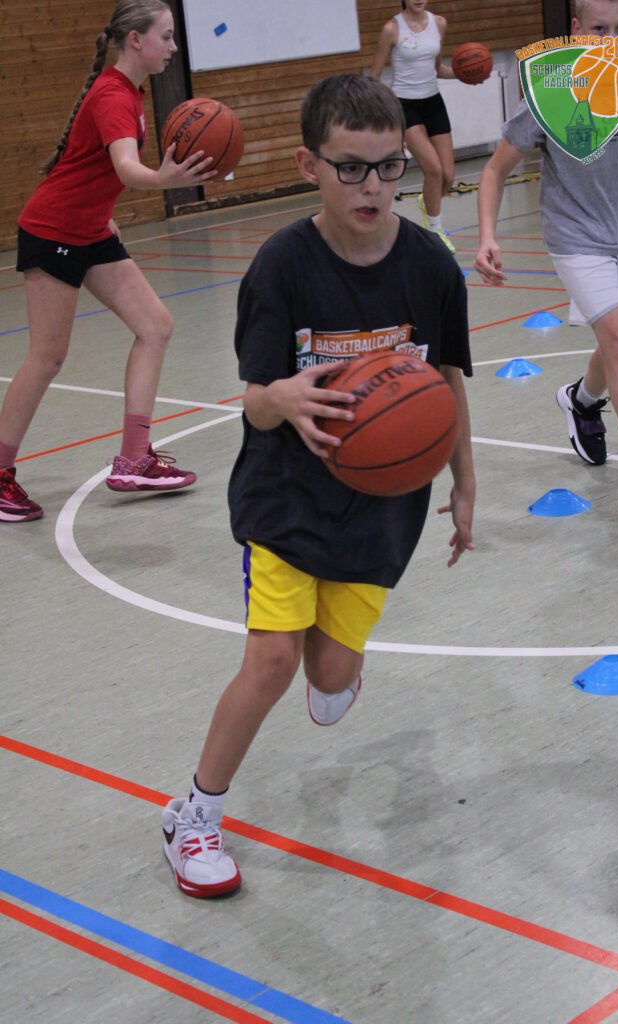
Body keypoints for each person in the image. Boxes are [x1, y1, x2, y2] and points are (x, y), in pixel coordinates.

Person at [161, 73, 476, 898]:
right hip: (286, 495)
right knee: (271, 660)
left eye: (388, 167)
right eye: (351, 168)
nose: (372, 186)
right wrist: (285, 398)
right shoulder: (282, 266)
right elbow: (254, 401)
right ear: (310, 167)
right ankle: (193, 816)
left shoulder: (429, 267)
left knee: (329, 678)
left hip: (384, 504)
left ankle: (336, 669)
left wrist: (465, 480)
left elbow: (445, 377)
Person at [0, 0, 217, 524]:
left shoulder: (128, 93)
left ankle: (135, 459)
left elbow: (92, 166)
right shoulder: (114, 96)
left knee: (155, 326)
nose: (173, 47)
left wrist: (103, 212)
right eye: (166, 36)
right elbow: (124, 165)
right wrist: (164, 179)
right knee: (47, 357)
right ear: (136, 40)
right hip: (53, 231)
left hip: (90, 230)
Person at [475, 0, 618, 539]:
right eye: (598, 28)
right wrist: (488, 235)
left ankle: (582, 402)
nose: (611, 39)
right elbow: (495, 170)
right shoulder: (552, 90)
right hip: (575, 236)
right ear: (576, 30)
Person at [371, 0, 457, 254]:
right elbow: (374, 78)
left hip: (434, 102)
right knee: (434, 170)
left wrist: (465, 74)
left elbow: (437, 69)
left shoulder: (439, 23)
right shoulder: (392, 29)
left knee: (448, 176)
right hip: (405, 105)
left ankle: (426, 201)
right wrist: (385, 117)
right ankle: (435, 231)